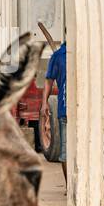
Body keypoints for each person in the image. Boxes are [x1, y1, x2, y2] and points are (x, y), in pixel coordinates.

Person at [41, 40, 67, 184]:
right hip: (65, 111)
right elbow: (49, 81)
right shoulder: (58, 56)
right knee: (65, 154)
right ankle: (69, 188)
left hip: (80, 113)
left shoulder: (84, 51)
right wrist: (44, 103)